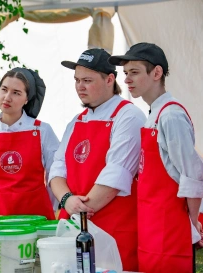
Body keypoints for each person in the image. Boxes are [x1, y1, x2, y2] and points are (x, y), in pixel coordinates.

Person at [109, 42, 203, 273]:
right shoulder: (154, 114)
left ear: (156, 73)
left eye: (134, 72)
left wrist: (193, 223)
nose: (127, 79)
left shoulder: (171, 115)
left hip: (171, 229)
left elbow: (192, 174)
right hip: (152, 226)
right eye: (125, 73)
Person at [49, 48, 145, 271]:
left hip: (113, 230)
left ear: (110, 79)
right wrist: (66, 200)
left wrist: (79, 209)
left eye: (87, 80)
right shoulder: (76, 121)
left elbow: (115, 176)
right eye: (77, 80)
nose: (79, 86)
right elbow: (56, 170)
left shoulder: (128, 116)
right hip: (75, 225)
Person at [0, 67, 59, 220]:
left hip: (37, 215)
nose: (7, 97)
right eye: (4, 89)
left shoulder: (42, 130)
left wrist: (50, 208)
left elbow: (55, 175)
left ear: (27, 99)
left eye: (16, 93)